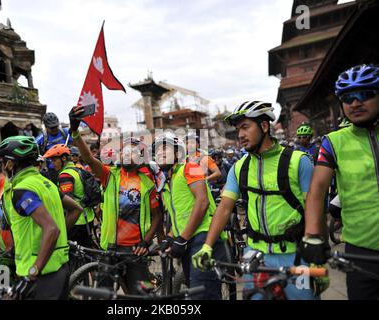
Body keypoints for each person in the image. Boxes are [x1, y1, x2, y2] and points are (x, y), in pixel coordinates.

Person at [193, 101, 318, 300]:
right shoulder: (239, 167)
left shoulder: (299, 161)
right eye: (237, 129)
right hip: (255, 257)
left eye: (245, 127)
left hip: (295, 255)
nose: (240, 135)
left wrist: (318, 257)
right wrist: (207, 245)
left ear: (264, 126)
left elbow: (315, 209)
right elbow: (224, 208)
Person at [301, 64, 379, 300]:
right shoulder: (332, 142)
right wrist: (313, 236)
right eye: (348, 97)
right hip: (361, 252)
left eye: (365, 94)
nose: (355, 103)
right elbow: (316, 190)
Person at [69, 106, 162, 294]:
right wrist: (74, 131)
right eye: (125, 151)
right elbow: (87, 157)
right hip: (109, 248)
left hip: (135, 251)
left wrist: (146, 242)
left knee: (141, 295)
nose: (128, 154)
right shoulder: (109, 175)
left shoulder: (147, 184)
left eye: (134, 152)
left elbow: (157, 215)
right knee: (102, 295)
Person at [0, 136, 81, 300]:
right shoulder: (45, 183)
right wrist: (61, 235)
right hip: (60, 270)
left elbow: (52, 229)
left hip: (39, 276)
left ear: (11, 163)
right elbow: (77, 209)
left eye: (3, 161)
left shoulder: (21, 190)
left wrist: (32, 273)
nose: (2, 166)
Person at [151, 132, 227, 300]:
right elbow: (181, 216)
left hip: (204, 237)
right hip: (188, 240)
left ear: (178, 153)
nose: (160, 153)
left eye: (165, 149)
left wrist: (182, 238)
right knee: (195, 292)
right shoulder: (167, 181)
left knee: (202, 295)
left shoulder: (189, 167)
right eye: (157, 151)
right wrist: (170, 237)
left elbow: (202, 202)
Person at [43, 144, 96, 248]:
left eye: (54, 160)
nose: (53, 165)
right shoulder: (78, 169)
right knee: (87, 251)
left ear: (63, 158)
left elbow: (67, 203)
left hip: (76, 221)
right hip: (88, 217)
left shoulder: (65, 176)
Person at [36, 112, 73, 183]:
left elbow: (74, 145)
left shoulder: (65, 133)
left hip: (66, 167)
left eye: (56, 126)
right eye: (52, 128)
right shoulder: (41, 139)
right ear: (46, 127)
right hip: (52, 170)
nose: (55, 129)